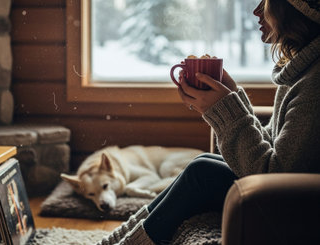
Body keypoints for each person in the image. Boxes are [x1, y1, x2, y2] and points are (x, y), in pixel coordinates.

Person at [96, 0, 320, 244]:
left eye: (265, 3)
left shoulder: (314, 84)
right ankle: (117, 239)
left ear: (294, 11)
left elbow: (274, 176)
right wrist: (233, 100)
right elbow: (276, 150)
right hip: (288, 195)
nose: (256, 11)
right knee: (202, 163)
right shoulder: (304, 72)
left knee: (203, 173)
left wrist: (226, 111)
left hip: (299, 206)